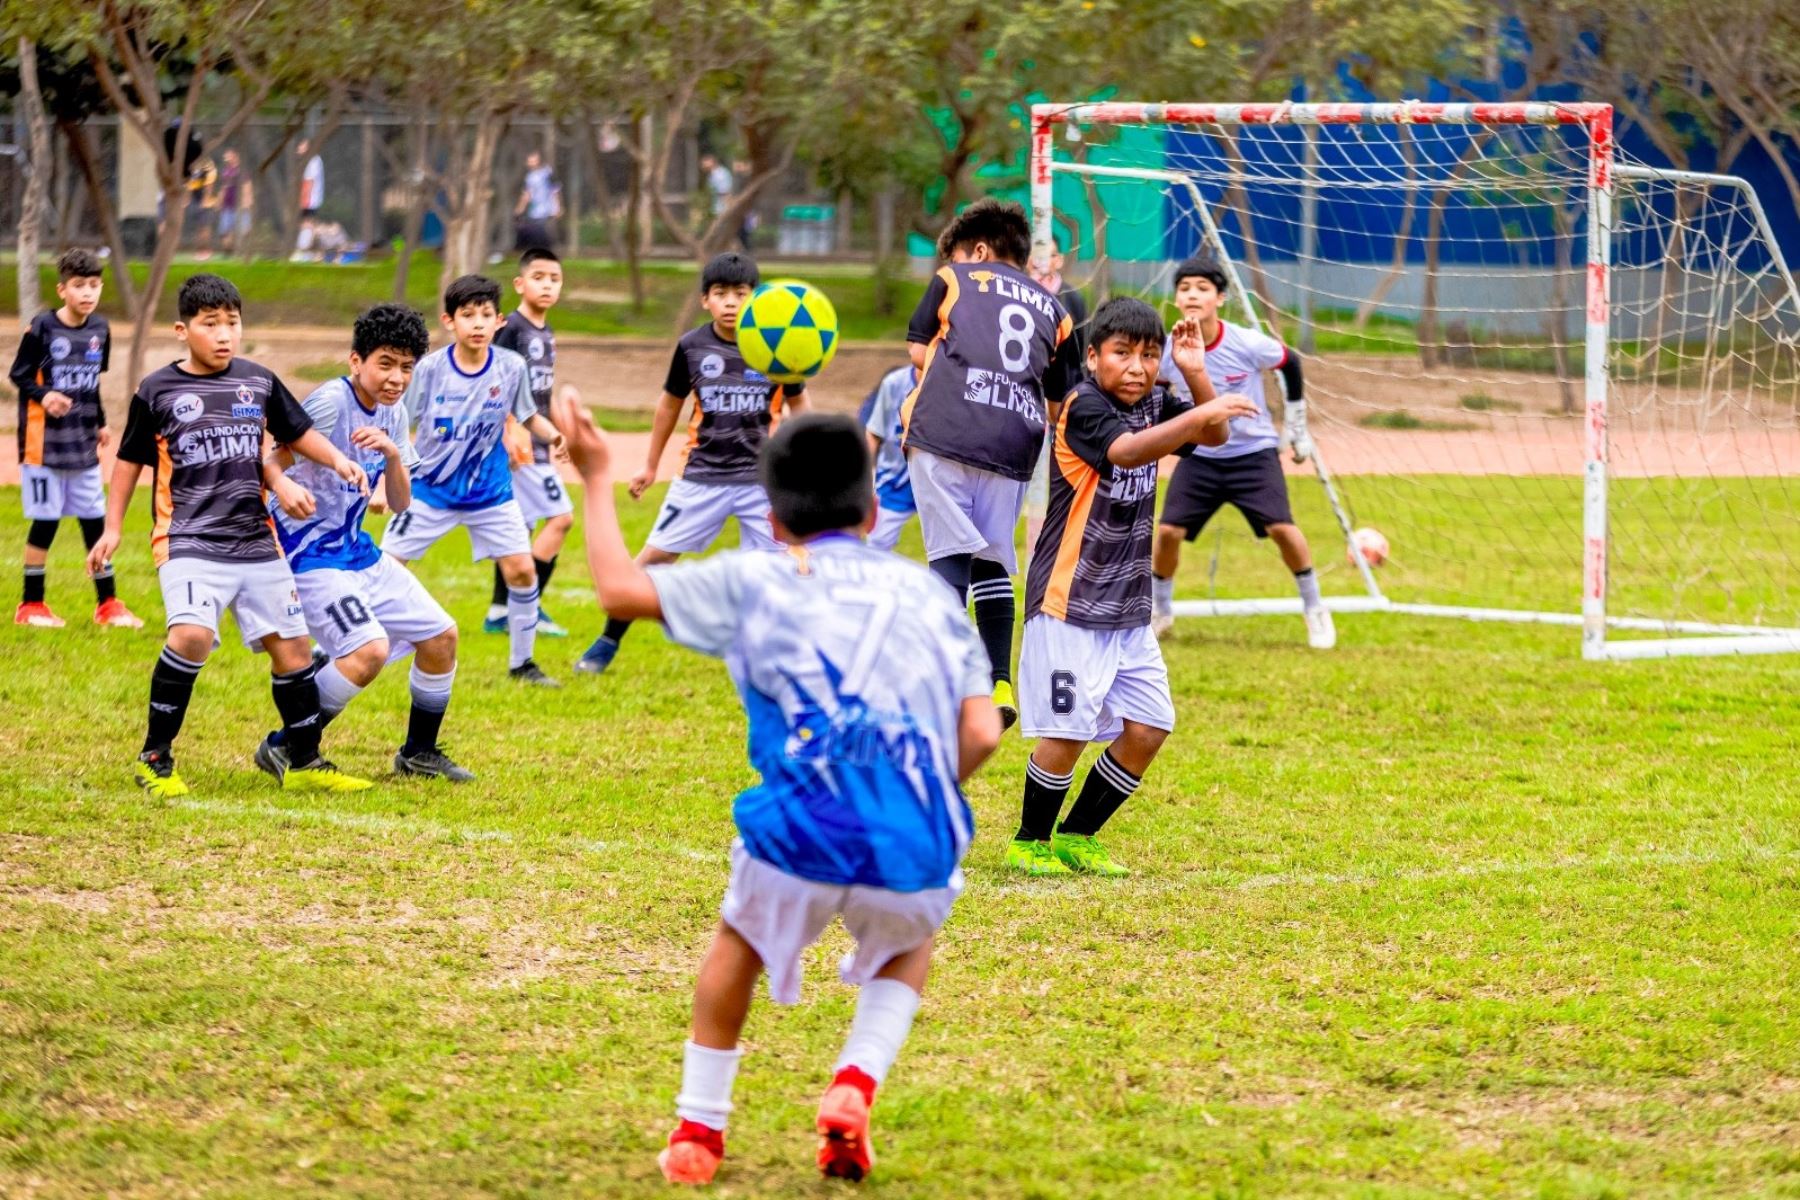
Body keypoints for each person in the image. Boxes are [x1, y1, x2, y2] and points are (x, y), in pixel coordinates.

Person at [550, 394, 1003, 1186]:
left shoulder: (759, 575)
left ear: (773, 512)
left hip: (803, 828)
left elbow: (622, 593)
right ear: (870, 508)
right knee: (908, 941)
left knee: (740, 946)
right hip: (916, 835)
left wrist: (596, 478)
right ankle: (855, 1083)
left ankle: (699, 1133)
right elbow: (984, 733)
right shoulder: (930, 594)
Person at [86, 273, 375, 799]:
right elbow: (129, 461)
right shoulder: (156, 390)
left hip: (254, 538)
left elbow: (297, 433)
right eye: (210, 324)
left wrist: (337, 461)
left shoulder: (258, 381)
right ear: (183, 329)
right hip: (189, 537)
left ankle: (305, 759)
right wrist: (112, 528)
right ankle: (155, 758)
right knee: (191, 636)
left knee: (292, 650)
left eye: (233, 324)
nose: (224, 335)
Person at [1010, 298, 1255, 877]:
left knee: (1149, 727)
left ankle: (1077, 836)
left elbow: (1215, 437)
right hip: (1068, 600)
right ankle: (1029, 840)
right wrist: (1198, 415)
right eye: (1123, 353)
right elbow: (1127, 452)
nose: (1139, 367)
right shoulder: (1084, 405)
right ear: (1093, 357)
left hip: (1126, 605)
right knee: (1066, 735)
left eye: (1149, 355)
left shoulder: (1156, 403)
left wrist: (1195, 373)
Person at [260, 304, 473, 783]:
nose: (396, 378)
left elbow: (399, 503)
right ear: (356, 361)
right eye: (386, 364)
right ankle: (288, 747)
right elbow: (271, 462)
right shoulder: (332, 402)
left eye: (406, 367)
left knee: (441, 637)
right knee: (368, 651)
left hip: (356, 551)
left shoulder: (394, 414)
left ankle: (419, 752)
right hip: (308, 556)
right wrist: (282, 486)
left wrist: (395, 455)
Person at [575, 252, 808, 675]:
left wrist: (805, 460)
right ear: (705, 300)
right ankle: (608, 639)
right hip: (701, 476)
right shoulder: (692, 346)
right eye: (721, 293)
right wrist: (649, 465)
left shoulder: (778, 344)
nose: (731, 302)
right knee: (652, 560)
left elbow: (799, 406)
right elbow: (668, 408)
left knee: (782, 569)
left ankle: (778, 655)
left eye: (741, 293)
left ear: (756, 298)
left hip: (761, 481)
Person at [900, 197, 1081, 728]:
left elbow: (917, 353)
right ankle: (998, 680)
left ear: (977, 250)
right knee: (993, 560)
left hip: (945, 432)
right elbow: (1059, 402)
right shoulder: (1059, 309)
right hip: (1014, 444)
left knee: (948, 559)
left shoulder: (953, 279)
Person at [379, 274, 568, 687]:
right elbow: (398, 423)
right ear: (450, 320)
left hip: (490, 494)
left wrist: (552, 434)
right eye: (468, 315)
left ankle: (523, 664)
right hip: (429, 491)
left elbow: (526, 413)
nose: (478, 323)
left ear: (499, 321)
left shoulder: (511, 367)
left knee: (521, 572)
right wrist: (385, 478)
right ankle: (346, 646)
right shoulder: (428, 370)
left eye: (486, 315)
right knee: (384, 567)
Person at [1149, 254, 1332, 649]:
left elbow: (1290, 362)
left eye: (1202, 288)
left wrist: (1296, 425)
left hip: (1253, 453)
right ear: (1177, 300)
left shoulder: (1245, 341)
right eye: (1185, 289)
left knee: (1282, 528)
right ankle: (1161, 611)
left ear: (1220, 298)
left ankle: (1315, 607)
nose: (1193, 295)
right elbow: (1157, 387)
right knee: (1166, 532)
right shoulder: (1168, 349)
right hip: (1200, 457)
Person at [10, 249, 142, 630]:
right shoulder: (42, 327)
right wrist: (44, 395)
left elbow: (91, 383)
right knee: (46, 522)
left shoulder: (101, 330)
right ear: (62, 289)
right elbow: (18, 375)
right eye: (79, 286)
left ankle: (108, 604)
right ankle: (31, 606)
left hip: (82, 444)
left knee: (94, 522)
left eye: (95, 286)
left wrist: (100, 422)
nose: (88, 293)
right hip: (42, 445)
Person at [485, 248, 577, 640]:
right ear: (520, 284)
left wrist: (556, 431)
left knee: (517, 531)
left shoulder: (545, 331)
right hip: (518, 445)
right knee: (561, 518)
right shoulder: (514, 329)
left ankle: (499, 610)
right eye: (539, 277)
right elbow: (496, 382)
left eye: (554, 279)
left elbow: (542, 389)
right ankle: (530, 606)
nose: (547, 285)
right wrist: (508, 432)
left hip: (537, 439)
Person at [858, 364, 917, 552]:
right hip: (894, 484)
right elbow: (872, 434)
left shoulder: (953, 380)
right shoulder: (895, 383)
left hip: (939, 484)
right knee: (876, 548)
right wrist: (865, 484)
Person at [1031, 228, 1091, 362]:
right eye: (1037, 255)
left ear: (1059, 260)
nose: (1042, 261)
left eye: (1049, 256)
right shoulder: (1017, 290)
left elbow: (1083, 341)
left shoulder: (1072, 297)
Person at [513, 151, 561, 251]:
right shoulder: (529, 177)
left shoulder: (547, 173)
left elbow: (555, 190)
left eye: (533, 161)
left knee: (542, 234)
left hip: (547, 209)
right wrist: (519, 209)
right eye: (529, 161)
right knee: (535, 235)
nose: (531, 163)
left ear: (539, 161)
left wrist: (557, 207)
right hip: (534, 211)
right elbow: (527, 194)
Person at [215, 149, 252, 257]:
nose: (226, 158)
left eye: (228, 155)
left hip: (239, 206)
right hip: (227, 206)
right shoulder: (226, 171)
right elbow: (223, 188)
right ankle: (228, 252)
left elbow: (247, 186)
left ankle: (241, 251)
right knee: (225, 231)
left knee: (245, 230)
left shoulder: (242, 171)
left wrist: (247, 201)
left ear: (235, 156)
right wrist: (219, 201)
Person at [295, 139, 325, 257]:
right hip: (308, 199)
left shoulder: (313, 161)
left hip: (310, 200)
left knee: (308, 223)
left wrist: (303, 201)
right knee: (308, 223)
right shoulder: (309, 160)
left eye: (301, 145)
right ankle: (308, 251)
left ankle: (304, 250)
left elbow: (309, 182)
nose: (298, 148)